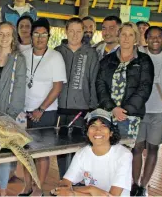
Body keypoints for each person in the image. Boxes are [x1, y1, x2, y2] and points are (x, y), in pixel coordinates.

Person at [19, 18, 66, 196]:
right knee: (25, 152)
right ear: (31, 36)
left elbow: (58, 87)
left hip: (46, 111)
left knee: (42, 152)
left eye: (43, 34)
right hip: (25, 111)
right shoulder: (24, 55)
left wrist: (41, 109)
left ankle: (39, 188)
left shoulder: (55, 57)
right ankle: (27, 185)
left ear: (49, 36)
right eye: (36, 34)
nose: (39, 38)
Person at [131, 26, 162, 196]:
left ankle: (144, 185)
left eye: (159, 37)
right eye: (151, 36)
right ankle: (134, 183)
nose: (155, 39)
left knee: (153, 148)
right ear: (146, 38)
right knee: (136, 148)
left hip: (159, 111)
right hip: (139, 110)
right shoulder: (139, 53)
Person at [55, 17, 99, 179]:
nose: (74, 35)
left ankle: (76, 181)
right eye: (71, 31)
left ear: (84, 32)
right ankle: (63, 180)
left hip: (82, 109)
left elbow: (94, 79)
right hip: (59, 108)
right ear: (66, 31)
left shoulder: (91, 53)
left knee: (79, 148)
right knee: (60, 148)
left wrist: (93, 107)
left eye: (78, 31)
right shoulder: (57, 51)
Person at [96, 22, 154, 142]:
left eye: (130, 35)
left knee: (124, 154)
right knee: (106, 151)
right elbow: (100, 85)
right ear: (118, 36)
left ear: (136, 38)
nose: (126, 38)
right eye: (123, 34)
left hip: (130, 115)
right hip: (108, 114)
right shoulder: (107, 60)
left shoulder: (144, 60)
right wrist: (112, 108)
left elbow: (145, 88)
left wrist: (124, 111)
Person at [53, 109, 132, 196]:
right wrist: (90, 190)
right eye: (93, 126)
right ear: (87, 132)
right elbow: (65, 183)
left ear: (111, 133)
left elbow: (113, 195)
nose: (98, 130)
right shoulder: (82, 154)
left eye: (104, 126)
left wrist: (79, 192)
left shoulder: (124, 155)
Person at [0, 22, 27, 196]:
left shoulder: (19, 59)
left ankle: (3, 190)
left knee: (4, 152)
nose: (4, 38)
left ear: (13, 37)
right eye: (1, 34)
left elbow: (19, 88)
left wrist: (10, 115)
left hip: (9, 114)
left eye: (8, 34)